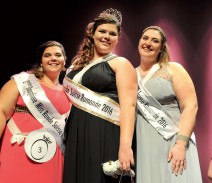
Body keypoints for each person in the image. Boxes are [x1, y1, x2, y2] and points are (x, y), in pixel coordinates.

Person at [62, 8, 138, 183]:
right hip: (76, 132)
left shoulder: (120, 64)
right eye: (102, 31)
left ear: (118, 38)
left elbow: (129, 106)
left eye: (112, 33)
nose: (107, 36)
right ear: (92, 34)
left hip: (104, 130)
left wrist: (125, 146)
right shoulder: (76, 65)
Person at [0, 40, 71, 183]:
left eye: (58, 55)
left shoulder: (69, 92)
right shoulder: (22, 81)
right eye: (47, 55)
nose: (53, 58)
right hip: (16, 149)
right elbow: (0, 111)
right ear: (41, 62)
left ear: (64, 61)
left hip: (52, 155)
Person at [135, 25, 202, 183]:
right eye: (145, 38)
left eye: (155, 40)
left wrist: (180, 144)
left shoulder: (173, 69)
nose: (148, 43)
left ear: (161, 47)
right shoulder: (131, 74)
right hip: (144, 145)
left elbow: (190, 106)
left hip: (173, 142)